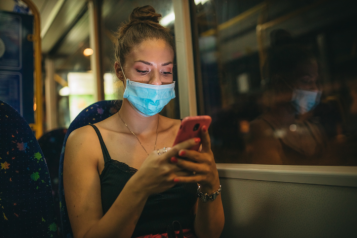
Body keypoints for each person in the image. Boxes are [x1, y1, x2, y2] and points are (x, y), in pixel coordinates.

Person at [63, 5, 224, 238]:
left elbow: (209, 234)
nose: (156, 82)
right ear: (120, 71)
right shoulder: (85, 142)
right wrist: (141, 186)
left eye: (166, 72)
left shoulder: (185, 134)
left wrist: (211, 186)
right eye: (142, 70)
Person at [248, 30, 327, 165]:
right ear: (280, 83)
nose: (315, 90)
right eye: (306, 81)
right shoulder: (263, 130)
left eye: (316, 82)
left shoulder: (313, 129)